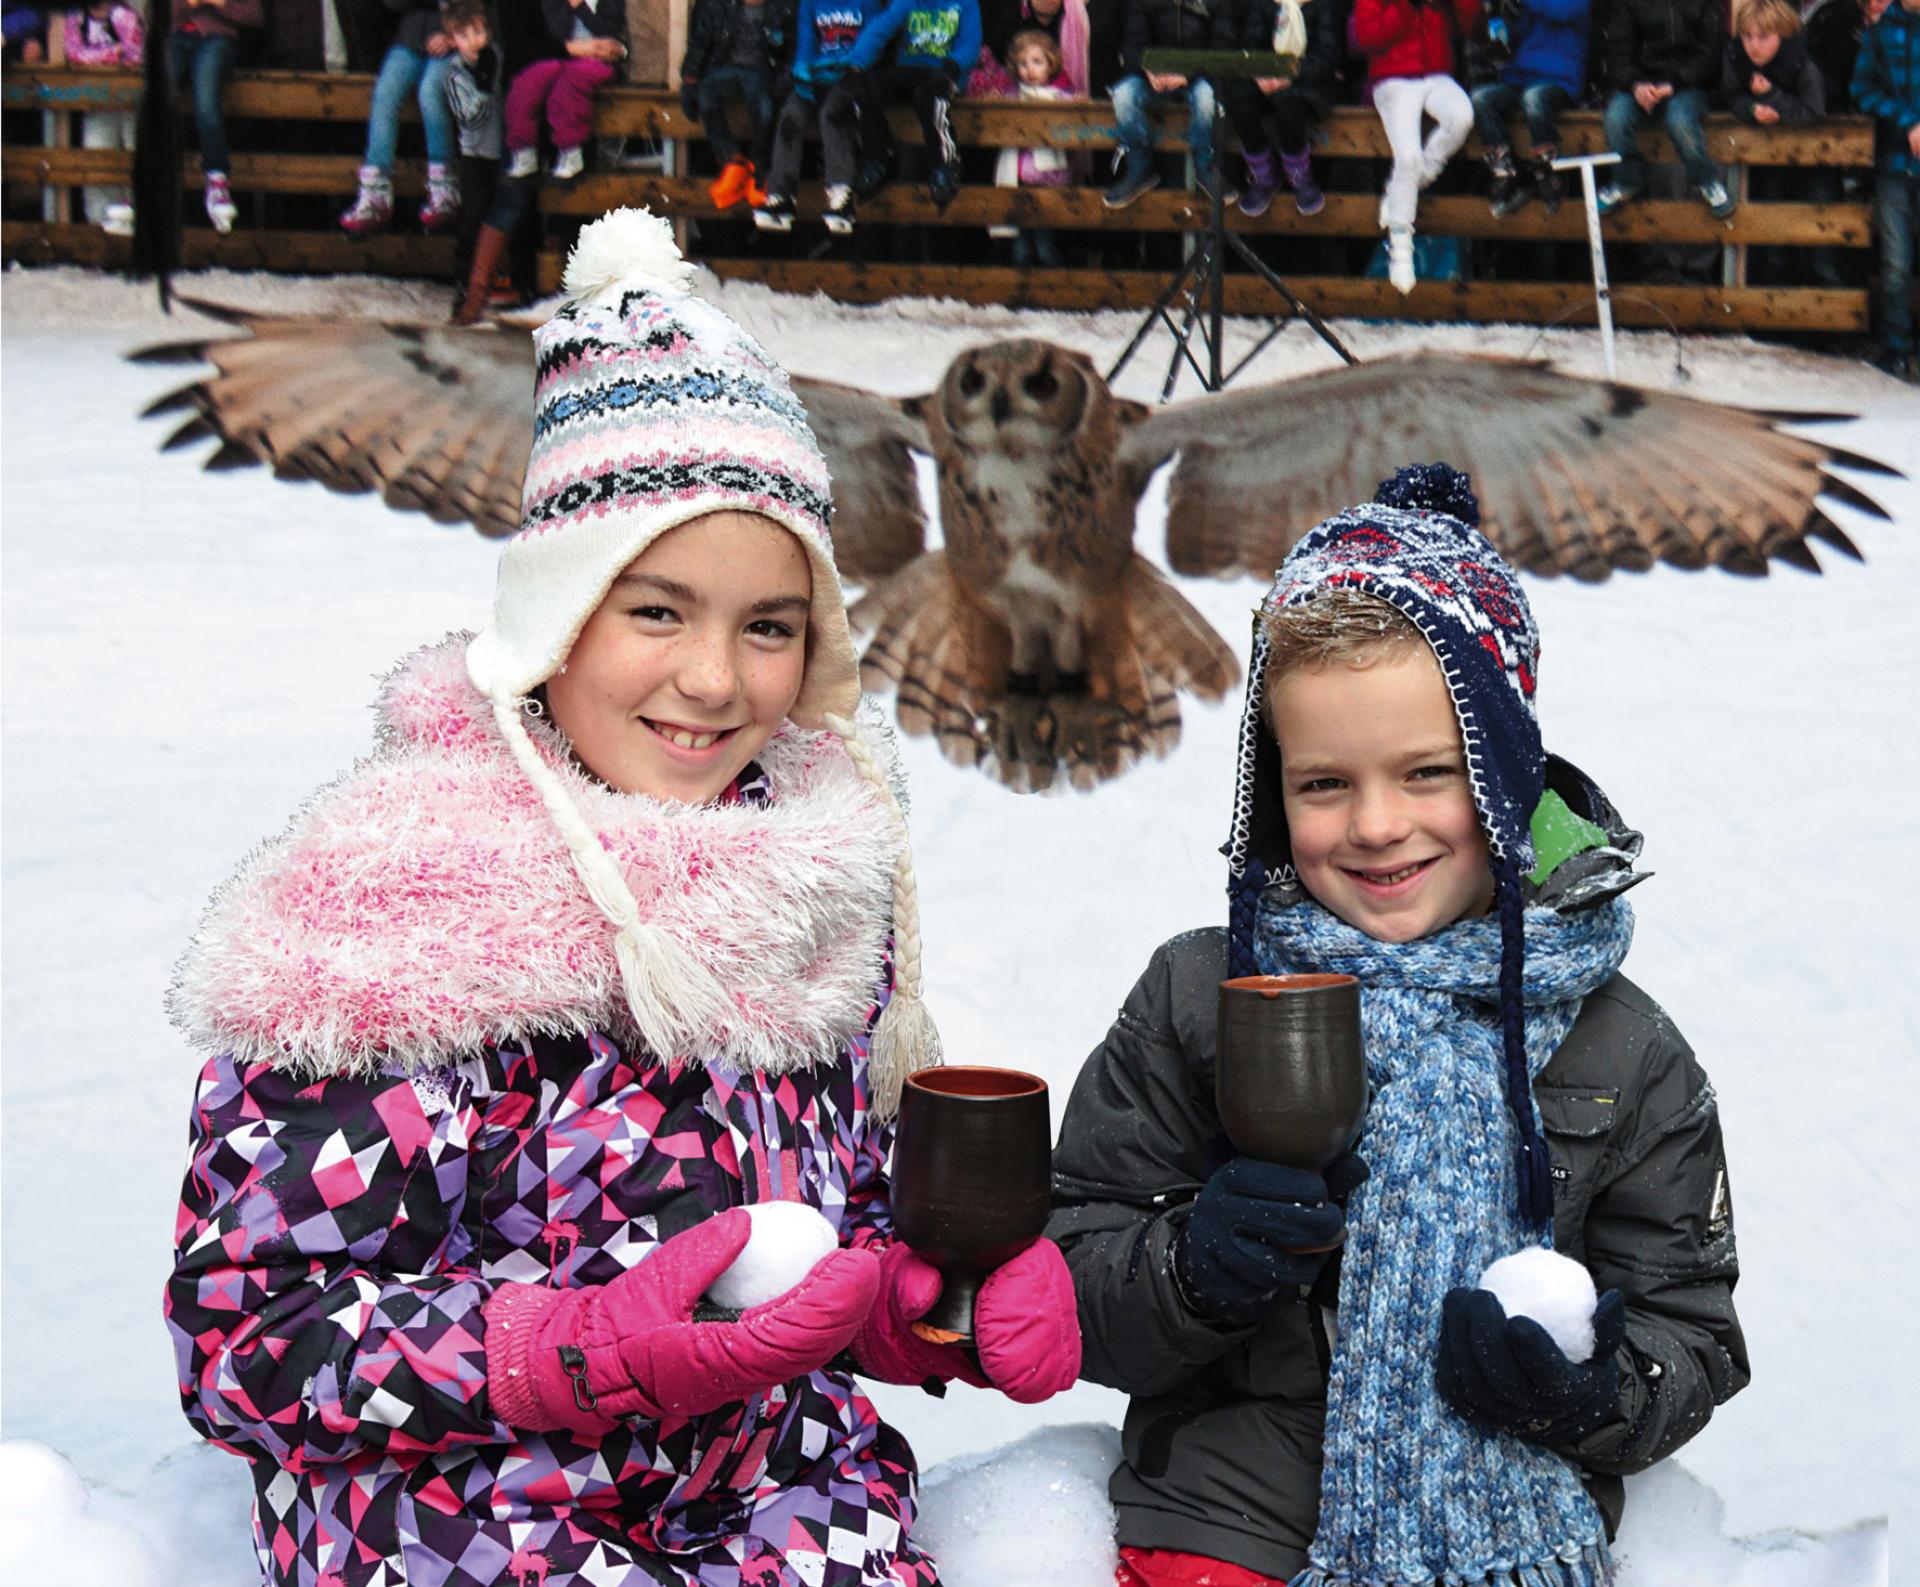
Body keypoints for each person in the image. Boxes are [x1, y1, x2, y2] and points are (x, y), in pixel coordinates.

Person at [163, 209, 1083, 1587]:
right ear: (553, 616)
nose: (716, 680)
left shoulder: (816, 875)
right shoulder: (402, 902)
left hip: (771, 1480)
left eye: (768, 625)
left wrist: (916, 1294)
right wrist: (571, 1346)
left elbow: (828, 1200)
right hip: (460, 1504)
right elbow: (255, 1334)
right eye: (656, 610)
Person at [1046, 463, 1748, 1587]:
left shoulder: (1625, 1052)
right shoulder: (1201, 997)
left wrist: (1592, 1391)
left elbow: (1693, 1332)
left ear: (1509, 774)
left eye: (1430, 773)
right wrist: (1190, 1272)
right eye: (1324, 784)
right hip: (1225, 1532)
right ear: (1274, 789)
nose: (1376, 826)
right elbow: (1064, 1270)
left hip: (1509, 1545)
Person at [1353, 0, 1483, 291]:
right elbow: (1365, 37)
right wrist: (1404, 6)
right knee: (1407, 157)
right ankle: (1400, 248)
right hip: (1393, 77)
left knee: (1461, 117)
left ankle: (1399, 191)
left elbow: (1473, 27)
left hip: (1437, 73)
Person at [442, 0, 537, 322]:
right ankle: (465, 288)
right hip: (475, 156)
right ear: (453, 38)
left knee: (516, 213)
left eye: (479, 32)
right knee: (475, 219)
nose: (475, 41)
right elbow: (469, 118)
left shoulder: (494, 55)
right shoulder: (454, 73)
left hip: (503, 149)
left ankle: (519, 283)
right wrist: (483, 89)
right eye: (465, 35)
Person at [1596, 0, 1735, 217]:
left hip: (1689, 84)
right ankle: (1626, 179)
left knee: (1680, 121)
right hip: (1640, 84)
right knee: (1616, 118)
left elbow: (1711, 52)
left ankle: (1706, 181)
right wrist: (1636, 85)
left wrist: (1675, 82)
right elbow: (1618, 51)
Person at [1102, 0, 1243, 207]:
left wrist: (1187, 74)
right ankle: (1140, 167)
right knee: (1123, 95)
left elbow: (1224, 48)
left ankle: (1205, 165)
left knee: (1207, 99)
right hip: (1153, 76)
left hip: (1199, 75)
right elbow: (1132, 46)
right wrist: (1148, 70)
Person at [843, 0, 984, 208]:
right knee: (864, 88)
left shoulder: (965, 3)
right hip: (910, 68)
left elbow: (971, 42)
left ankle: (945, 165)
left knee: (928, 96)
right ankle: (880, 156)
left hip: (945, 72)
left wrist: (954, 66)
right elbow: (880, 29)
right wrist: (856, 63)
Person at [754, 0, 881, 229]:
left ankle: (841, 193)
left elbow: (873, 38)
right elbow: (807, 40)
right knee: (791, 116)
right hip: (819, 72)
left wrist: (852, 64)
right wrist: (803, 68)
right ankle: (781, 195)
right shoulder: (810, 3)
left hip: (851, 73)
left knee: (832, 115)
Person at [339, 0, 462, 234]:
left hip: (457, 36)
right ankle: (375, 188)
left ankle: (443, 185)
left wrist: (454, 34)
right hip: (412, 37)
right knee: (385, 93)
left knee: (430, 91)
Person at [1469, 0, 1588, 217]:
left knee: (1533, 100)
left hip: (1560, 79)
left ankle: (1550, 173)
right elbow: (1515, 39)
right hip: (1521, 78)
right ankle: (1508, 171)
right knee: (1481, 98)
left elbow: (1562, 12)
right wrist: (1506, 19)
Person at [1232, 0, 1349, 217]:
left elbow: (1328, 55)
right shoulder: (1264, 5)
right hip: (1267, 79)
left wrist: (1291, 73)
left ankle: (1301, 177)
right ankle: (1264, 175)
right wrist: (1260, 72)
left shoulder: (1323, 6)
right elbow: (1251, 43)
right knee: (1240, 105)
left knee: (1289, 111)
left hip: (1309, 81)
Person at [1853, 0, 1920, 377]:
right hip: (1894, 162)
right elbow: (1862, 87)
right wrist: (1907, 121)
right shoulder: (1880, 31)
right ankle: (1895, 347)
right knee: (1895, 261)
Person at [679, 0, 794, 210]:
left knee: (765, 109)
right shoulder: (716, 5)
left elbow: (793, 49)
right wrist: (690, 78)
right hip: (726, 67)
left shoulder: (784, 6)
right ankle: (732, 159)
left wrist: (784, 82)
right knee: (706, 94)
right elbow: (700, 42)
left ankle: (760, 169)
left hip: (764, 71)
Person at [504, 0, 628, 181]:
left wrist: (581, 8)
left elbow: (611, 31)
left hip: (599, 60)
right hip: (564, 56)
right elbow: (554, 31)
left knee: (567, 88)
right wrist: (569, 6)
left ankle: (571, 152)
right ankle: (524, 153)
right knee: (527, 83)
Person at [169, 0, 261, 234]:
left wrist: (220, 4)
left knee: (206, 99)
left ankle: (217, 179)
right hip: (173, 37)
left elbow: (255, 15)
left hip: (217, 38)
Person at [991, 28, 1073, 263]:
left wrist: (1078, 101)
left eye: (1037, 62)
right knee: (1021, 247)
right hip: (1018, 181)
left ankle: (1051, 289)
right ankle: (1023, 292)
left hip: (1047, 181)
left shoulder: (1057, 96)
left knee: (1045, 244)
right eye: (1023, 64)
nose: (1030, 70)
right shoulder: (1012, 95)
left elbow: (1073, 114)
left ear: (1050, 64)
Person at [62, 0, 145, 233]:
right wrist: (112, 53)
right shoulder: (76, 17)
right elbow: (73, 54)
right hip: (97, 102)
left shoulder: (123, 16)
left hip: (130, 100)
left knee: (133, 152)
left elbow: (134, 55)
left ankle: (137, 221)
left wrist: (97, 57)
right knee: (96, 156)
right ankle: (99, 225)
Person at [1722, 0, 1824, 124]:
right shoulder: (1735, 54)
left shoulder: (1801, 62)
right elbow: (1732, 96)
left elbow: (1815, 112)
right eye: (1747, 36)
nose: (1754, 46)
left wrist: (1771, 95)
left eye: (1763, 37)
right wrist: (1751, 109)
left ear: (1782, 34)